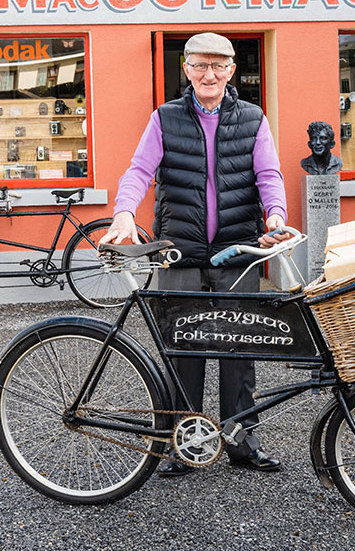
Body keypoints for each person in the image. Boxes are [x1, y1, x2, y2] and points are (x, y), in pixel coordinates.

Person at [100, 32, 290, 477]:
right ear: (186, 69)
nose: (209, 74)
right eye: (200, 65)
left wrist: (276, 217)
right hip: (180, 252)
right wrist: (124, 214)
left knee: (239, 349)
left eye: (218, 66)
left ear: (231, 71)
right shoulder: (165, 118)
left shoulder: (253, 118)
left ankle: (242, 443)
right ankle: (184, 443)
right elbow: (139, 170)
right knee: (182, 349)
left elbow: (268, 173)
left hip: (236, 249)